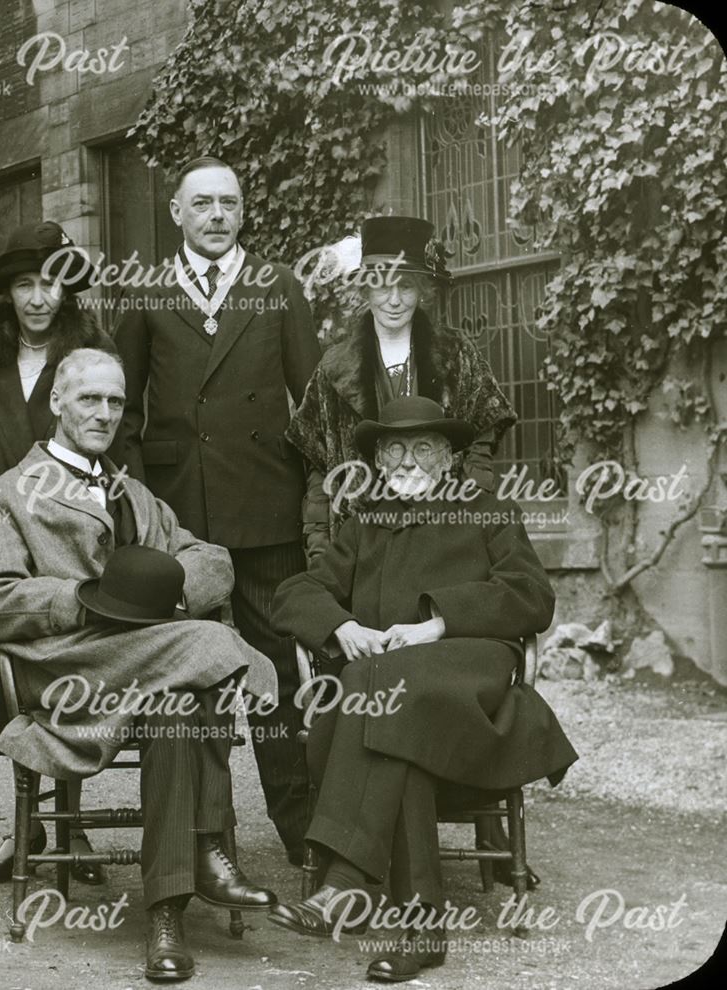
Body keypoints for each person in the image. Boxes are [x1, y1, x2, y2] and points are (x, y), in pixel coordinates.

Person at [0, 347, 279, 981]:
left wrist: (166, 589)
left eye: (115, 402)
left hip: (150, 667)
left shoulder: (134, 493)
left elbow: (213, 559)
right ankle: (210, 845)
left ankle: (167, 914)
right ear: (56, 402)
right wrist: (80, 600)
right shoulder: (7, 496)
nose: (104, 414)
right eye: (89, 399)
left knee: (182, 698)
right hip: (70, 671)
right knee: (207, 653)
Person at [268, 397, 577, 983]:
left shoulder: (487, 511)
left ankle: (344, 883)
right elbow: (297, 593)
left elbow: (533, 598)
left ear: (448, 459)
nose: (407, 460)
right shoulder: (365, 526)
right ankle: (421, 929)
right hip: (391, 701)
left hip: (470, 686)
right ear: (380, 462)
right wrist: (342, 625)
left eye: (423, 449)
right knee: (389, 707)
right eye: (395, 450)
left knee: (379, 686)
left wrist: (438, 623)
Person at [113, 155, 322, 866]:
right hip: (180, 519)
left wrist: (319, 495)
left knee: (279, 681)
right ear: (176, 213)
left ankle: (304, 835)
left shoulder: (279, 286)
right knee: (188, 676)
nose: (216, 216)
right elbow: (123, 414)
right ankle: (207, 841)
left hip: (266, 509)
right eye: (201, 204)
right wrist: (144, 506)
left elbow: (315, 402)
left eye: (228, 203)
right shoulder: (144, 295)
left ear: (243, 211)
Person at [0, 220, 112, 887]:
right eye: (24, 284)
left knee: (71, 684)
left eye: (50, 282)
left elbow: (117, 443)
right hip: (7, 559)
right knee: (13, 691)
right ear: (6, 296)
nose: (38, 297)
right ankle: (27, 826)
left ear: (67, 290)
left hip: (78, 552)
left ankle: (70, 825)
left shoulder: (92, 359)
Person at [286, 215, 516, 559]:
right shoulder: (333, 368)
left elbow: (483, 431)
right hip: (360, 539)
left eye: (405, 286)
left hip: (442, 534)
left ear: (421, 292)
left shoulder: (455, 353)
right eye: (382, 285)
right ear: (366, 290)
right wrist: (319, 542)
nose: (393, 300)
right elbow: (317, 463)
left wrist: (472, 503)